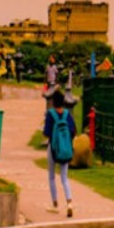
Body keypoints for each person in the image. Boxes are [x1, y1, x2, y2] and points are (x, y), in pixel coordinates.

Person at [43, 87, 75, 217]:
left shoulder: (50, 114)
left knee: (51, 176)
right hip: (65, 150)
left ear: (53, 102)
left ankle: (55, 204)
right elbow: (73, 131)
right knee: (64, 178)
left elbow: (46, 133)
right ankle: (69, 202)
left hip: (53, 148)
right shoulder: (68, 115)